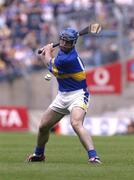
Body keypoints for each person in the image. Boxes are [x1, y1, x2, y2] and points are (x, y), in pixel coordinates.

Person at [27, 26, 102, 164]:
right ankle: (39, 154)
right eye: (62, 40)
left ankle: (93, 156)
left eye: (67, 42)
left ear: (73, 44)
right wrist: (47, 54)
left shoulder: (70, 58)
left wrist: (47, 52)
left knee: (76, 123)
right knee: (43, 126)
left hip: (78, 94)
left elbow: (51, 67)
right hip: (62, 96)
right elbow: (52, 64)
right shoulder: (62, 53)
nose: (63, 44)